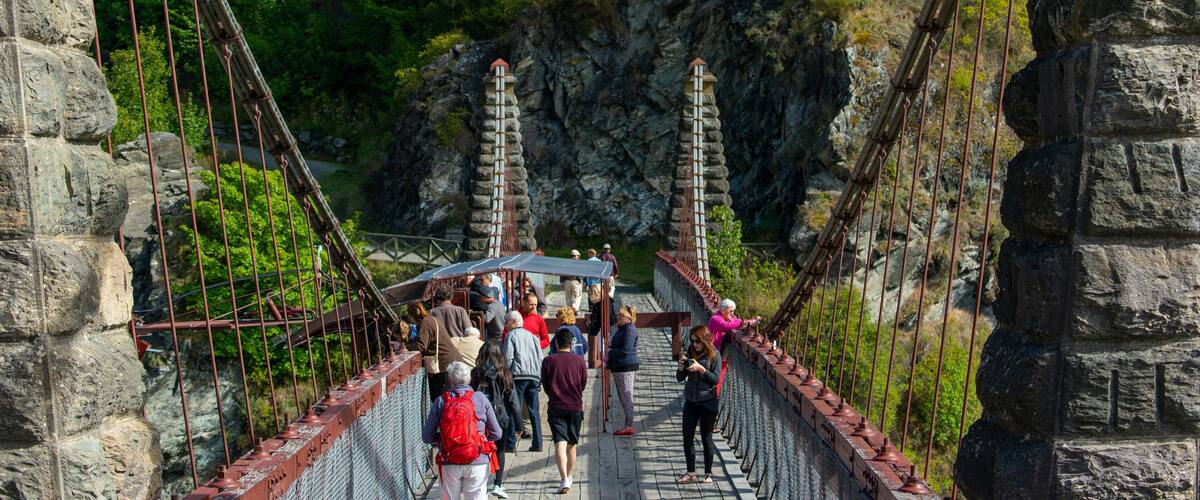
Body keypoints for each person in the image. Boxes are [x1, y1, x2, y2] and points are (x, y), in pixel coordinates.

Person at [423, 362, 502, 500]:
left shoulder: (441, 401)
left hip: (449, 459)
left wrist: (445, 438)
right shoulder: (480, 398)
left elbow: (427, 437)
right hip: (477, 459)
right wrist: (478, 438)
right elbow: (497, 433)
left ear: (450, 380)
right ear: (469, 379)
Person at [541, 328, 588, 494]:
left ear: (556, 342)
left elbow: (545, 385)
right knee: (572, 445)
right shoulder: (580, 360)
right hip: (575, 406)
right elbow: (583, 383)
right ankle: (569, 474)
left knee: (559, 443)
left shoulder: (548, 361)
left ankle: (564, 479)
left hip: (556, 406)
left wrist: (553, 394)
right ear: (572, 343)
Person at [471, 342, 519, 499]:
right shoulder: (505, 373)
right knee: (500, 450)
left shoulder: (475, 373)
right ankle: (498, 484)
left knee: (480, 450)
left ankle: (480, 483)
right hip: (501, 418)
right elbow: (513, 400)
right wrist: (518, 423)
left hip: (479, 419)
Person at [675, 325, 722, 485]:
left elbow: (715, 379)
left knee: (706, 438)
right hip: (691, 401)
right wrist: (681, 368)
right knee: (687, 437)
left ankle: (708, 473)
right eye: (692, 341)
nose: (694, 344)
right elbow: (680, 378)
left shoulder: (715, 355)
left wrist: (701, 369)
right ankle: (691, 472)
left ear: (705, 341)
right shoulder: (690, 352)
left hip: (708, 403)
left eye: (697, 341)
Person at [500, 310, 546, 451]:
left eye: (507, 322)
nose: (505, 325)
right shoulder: (532, 336)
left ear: (513, 322)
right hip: (533, 376)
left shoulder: (511, 335)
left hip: (518, 377)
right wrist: (539, 376)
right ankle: (538, 443)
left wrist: (504, 376)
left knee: (514, 408)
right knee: (534, 410)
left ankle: (511, 443)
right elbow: (540, 357)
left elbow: (508, 358)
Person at [406, 302, 463, 401]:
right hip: (452, 361)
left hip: (443, 365)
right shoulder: (432, 319)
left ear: (412, 316)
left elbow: (420, 346)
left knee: (441, 398)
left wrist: (404, 346)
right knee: (453, 396)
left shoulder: (424, 324)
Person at [608, 305, 640, 436]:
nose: (619, 317)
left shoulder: (630, 330)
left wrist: (610, 352)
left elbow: (626, 350)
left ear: (629, 318)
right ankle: (628, 423)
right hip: (620, 366)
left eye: (622, 316)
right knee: (623, 395)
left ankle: (629, 425)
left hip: (626, 366)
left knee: (626, 395)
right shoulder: (623, 329)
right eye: (619, 315)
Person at [470, 275, 505, 340]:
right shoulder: (498, 303)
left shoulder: (492, 306)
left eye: (481, 297)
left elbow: (486, 319)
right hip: (498, 334)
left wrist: (475, 315)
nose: (479, 299)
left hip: (496, 336)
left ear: (488, 297)